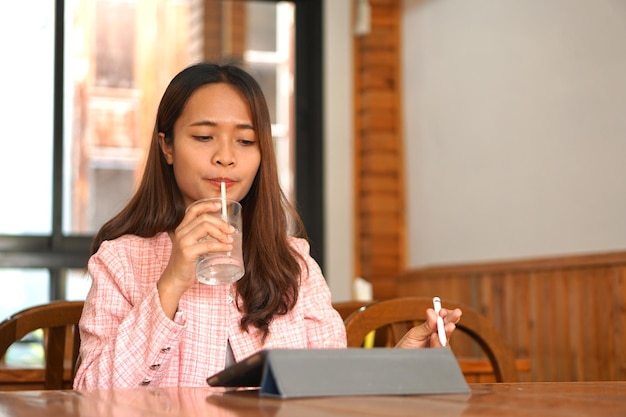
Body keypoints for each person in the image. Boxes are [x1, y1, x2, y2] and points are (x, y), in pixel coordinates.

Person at [73, 62, 462, 390]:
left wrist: (408, 363)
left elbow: (330, 390)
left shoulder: (295, 263)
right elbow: (92, 395)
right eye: (204, 137)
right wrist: (172, 281)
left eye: (245, 141)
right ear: (167, 146)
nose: (225, 157)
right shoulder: (121, 260)